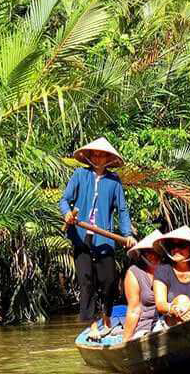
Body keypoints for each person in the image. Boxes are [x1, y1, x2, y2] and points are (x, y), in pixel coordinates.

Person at [59, 137, 137, 340]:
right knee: (86, 280)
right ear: (89, 156)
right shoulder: (79, 175)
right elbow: (65, 200)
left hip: (104, 237)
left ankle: (107, 316)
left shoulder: (114, 181)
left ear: (108, 158)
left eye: (102, 154)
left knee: (109, 280)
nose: (98, 157)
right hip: (81, 236)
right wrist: (67, 213)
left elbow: (122, 209)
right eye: (95, 154)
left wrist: (127, 234)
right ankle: (93, 324)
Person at [122, 230, 163, 342]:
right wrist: (125, 341)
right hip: (145, 325)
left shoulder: (168, 270)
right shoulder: (135, 273)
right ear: (143, 253)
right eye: (148, 251)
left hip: (166, 321)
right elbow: (134, 310)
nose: (152, 255)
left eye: (156, 252)